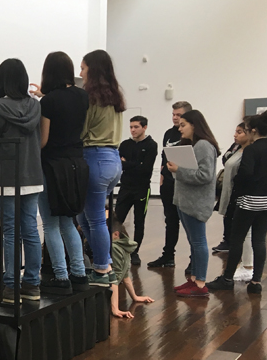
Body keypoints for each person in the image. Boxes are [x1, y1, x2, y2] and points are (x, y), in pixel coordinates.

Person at [0, 58, 43, 302]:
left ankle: (11, 287)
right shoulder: (35, 107)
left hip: (6, 178)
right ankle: (32, 284)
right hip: (32, 175)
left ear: (1, 80)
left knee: (11, 231)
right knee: (30, 230)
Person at [33, 51, 89, 296]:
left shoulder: (48, 102)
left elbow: (43, 140)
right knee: (69, 222)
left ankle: (61, 276)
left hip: (52, 166)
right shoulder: (83, 96)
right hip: (76, 164)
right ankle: (79, 273)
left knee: (50, 224)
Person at [209, 110, 267, 294]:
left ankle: (227, 279)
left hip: (249, 199)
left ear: (253, 131)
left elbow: (246, 174)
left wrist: (238, 185)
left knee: (237, 239)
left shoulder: (251, 149)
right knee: (259, 240)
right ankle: (256, 281)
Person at [77, 50, 126, 286]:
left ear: (92, 69)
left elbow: (82, 131)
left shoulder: (90, 98)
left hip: (94, 157)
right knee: (85, 216)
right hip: (113, 159)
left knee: (95, 219)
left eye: (83, 68)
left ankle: (102, 268)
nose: (80, 73)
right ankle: (104, 263)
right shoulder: (114, 96)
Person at [166, 109, 220, 297]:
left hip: (196, 202)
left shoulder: (203, 145)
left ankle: (200, 283)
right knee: (193, 242)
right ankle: (194, 279)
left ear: (194, 125)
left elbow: (205, 175)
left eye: (183, 125)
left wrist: (178, 170)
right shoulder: (194, 145)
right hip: (186, 200)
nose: (179, 128)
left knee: (198, 242)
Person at [148, 102, 192, 268]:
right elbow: (164, 155)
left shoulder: (190, 135)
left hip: (183, 183)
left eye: (178, 115)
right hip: (168, 183)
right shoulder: (168, 133)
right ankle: (168, 255)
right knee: (170, 220)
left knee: (188, 222)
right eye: (173, 114)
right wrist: (161, 175)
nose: (175, 117)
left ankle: (194, 259)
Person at [211, 121, 255, 280]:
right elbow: (225, 159)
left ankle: (248, 266)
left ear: (249, 133)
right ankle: (241, 264)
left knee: (245, 233)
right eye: (235, 131)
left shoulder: (250, 152)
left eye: (239, 132)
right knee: (235, 231)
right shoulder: (236, 148)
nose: (235, 135)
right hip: (230, 193)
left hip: (240, 196)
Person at [115, 115, 158, 266]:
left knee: (139, 222)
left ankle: (135, 252)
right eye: (131, 127)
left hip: (141, 189)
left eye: (136, 127)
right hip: (125, 187)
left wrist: (127, 164)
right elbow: (118, 164)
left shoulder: (151, 145)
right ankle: (116, 248)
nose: (133, 130)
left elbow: (145, 169)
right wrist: (135, 164)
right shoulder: (125, 145)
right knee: (116, 219)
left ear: (144, 127)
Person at [108, 221, 155, 320]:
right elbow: (125, 275)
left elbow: (114, 278)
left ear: (116, 234)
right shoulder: (125, 247)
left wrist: (115, 308)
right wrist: (135, 297)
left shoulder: (114, 248)